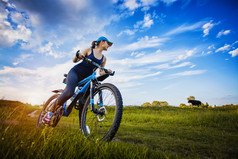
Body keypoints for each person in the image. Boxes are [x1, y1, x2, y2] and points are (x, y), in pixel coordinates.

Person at [42, 36, 113, 124]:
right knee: (69, 92)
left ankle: (82, 128)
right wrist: (78, 55)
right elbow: (74, 60)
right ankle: (49, 113)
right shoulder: (89, 50)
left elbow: (101, 72)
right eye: (108, 43)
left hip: (86, 79)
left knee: (83, 103)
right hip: (75, 73)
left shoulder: (104, 58)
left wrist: (107, 72)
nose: (109, 45)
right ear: (102, 42)